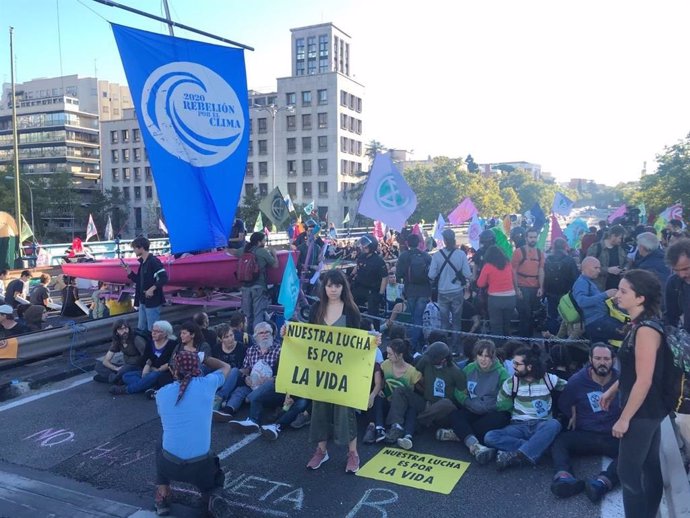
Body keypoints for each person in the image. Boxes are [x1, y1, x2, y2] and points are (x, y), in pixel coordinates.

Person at [600, 269, 668, 518]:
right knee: (649, 466)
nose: (617, 295)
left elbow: (644, 379)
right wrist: (613, 389)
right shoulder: (639, 324)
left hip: (643, 410)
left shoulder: (646, 331)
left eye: (623, 291)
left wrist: (625, 418)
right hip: (648, 408)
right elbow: (634, 371)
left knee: (627, 472)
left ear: (640, 298)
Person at [153, 349, 230, 515]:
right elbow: (226, 366)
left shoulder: (161, 394)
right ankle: (212, 495)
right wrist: (205, 357)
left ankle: (163, 494)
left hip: (169, 465)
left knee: (161, 441)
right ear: (198, 368)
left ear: (174, 370)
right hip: (200, 467)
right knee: (214, 471)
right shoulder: (207, 384)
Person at [303, 268, 363, 473]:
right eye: (330, 285)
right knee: (320, 409)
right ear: (324, 287)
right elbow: (307, 337)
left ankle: (353, 453)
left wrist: (375, 340)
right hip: (321, 371)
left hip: (345, 372)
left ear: (343, 287)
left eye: (337, 285)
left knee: (345, 412)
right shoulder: (316, 309)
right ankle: (321, 451)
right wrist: (287, 333)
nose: (333, 289)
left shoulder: (351, 310)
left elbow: (360, 340)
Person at [550, 343, 621, 502]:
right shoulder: (577, 380)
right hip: (586, 433)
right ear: (590, 359)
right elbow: (564, 402)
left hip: (613, 435)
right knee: (559, 442)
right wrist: (572, 411)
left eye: (606, 358)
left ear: (613, 360)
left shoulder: (620, 381)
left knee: (633, 452)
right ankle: (564, 477)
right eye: (597, 358)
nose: (602, 362)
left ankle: (602, 483)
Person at [484, 344, 566, 471]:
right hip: (518, 425)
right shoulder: (512, 382)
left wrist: (574, 409)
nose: (513, 367)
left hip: (542, 425)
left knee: (554, 424)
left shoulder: (548, 379)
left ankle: (519, 454)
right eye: (513, 363)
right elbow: (501, 404)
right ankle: (535, 448)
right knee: (490, 437)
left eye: (517, 364)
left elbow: (571, 388)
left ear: (529, 366)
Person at [436, 339, 511, 464]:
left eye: (487, 356)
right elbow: (458, 389)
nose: (483, 359)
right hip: (472, 407)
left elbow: (508, 400)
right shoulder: (469, 368)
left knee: (500, 419)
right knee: (455, 415)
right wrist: (467, 402)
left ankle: (459, 434)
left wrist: (488, 406)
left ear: (493, 356)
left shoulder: (502, 373)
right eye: (480, 355)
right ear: (475, 355)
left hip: (492, 410)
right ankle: (475, 446)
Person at [384, 341, 466, 451]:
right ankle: (396, 426)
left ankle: (416, 422)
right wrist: (420, 388)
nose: (430, 360)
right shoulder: (426, 361)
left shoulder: (455, 372)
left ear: (443, 359)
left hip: (442, 411)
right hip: (425, 402)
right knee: (400, 390)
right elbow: (415, 374)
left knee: (446, 403)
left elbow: (463, 394)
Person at [363, 338, 420, 444]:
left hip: (402, 406)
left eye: (390, 354)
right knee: (377, 397)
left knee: (411, 409)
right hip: (388, 401)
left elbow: (415, 391)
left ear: (400, 355)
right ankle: (379, 428)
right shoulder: (385, 365)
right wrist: (380, 389)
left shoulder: (412, 372)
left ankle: (406, 435)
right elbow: (383, 381)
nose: (387, 356)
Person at [223, 322, 281, 422]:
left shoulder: (279, 350)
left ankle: (252, 421)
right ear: (255, 337)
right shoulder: (251, 350)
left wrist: (270, 379)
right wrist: (246, 378)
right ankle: (228, 411)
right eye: (261, 333)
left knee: (262, 390)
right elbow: (245, 368)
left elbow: (283, 374)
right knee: (240, 391)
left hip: (270, 387)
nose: (264, 335)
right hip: (252, 384)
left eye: (267, 332)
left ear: (272, 335)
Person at [428, 229, 471, 355]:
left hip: (442, 291)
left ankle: (444, 348)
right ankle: (456, 348)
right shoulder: (461, 254)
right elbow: (467, 274)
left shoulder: (437, 255)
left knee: (444, 321)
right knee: (457, 321)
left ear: (444, 240)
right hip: (457, 291)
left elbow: (431, 275)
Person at [110, 320, 177, 396]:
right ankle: (150, 387)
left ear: (165, 333)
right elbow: (144, 359)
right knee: (126, 376)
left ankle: (126, 389)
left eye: (157, 331)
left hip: (163, 373)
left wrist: (159, 368)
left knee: (154, 375)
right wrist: (148, 365)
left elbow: (172, 361)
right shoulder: (150, 342)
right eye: (153, 330)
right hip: (150, 370)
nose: (153, 333)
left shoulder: (172, 344)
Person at [572, 257, 624, 343]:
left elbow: (596, 300)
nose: (599, 271)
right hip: (596, 322)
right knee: (627, 333)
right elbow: (582, 302)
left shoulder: (588, 282)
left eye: (599, 268)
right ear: (585, 268)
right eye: (595, 268)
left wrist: (610, 299)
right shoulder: (581, 282)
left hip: (599, 321)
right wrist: (605, 294)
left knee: (602, 347)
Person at [122, 236, 169, 332]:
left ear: (141, 248)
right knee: (141, 328)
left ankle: (153, 346)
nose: (134, 250)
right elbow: (139, 281)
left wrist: (152, 289)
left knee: (153, 330)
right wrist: (129, 272)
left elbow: (164, 278)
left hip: (153, 302)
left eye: (135, 248)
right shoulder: (143, 263)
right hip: (143, 301)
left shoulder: (154, 261)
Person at [395, 234, 432, 352]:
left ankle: (413, 344)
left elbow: (398, 274)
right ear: (419, 243)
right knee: (419, 316)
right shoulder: (425, 256)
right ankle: (419, 342)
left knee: (414, 317)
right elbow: (431, 273)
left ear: (407, 243)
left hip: (410, 290)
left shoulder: (404, 256)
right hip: (424, 290)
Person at [240, 232, 278, 332]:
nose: (265, 242)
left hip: (244, 286)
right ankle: (257, 337)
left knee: (247, 315)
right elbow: (275, 265)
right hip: (258, 287)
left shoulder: (244, 250)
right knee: (258, 314)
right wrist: (274, 253)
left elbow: (233, 252)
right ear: (259, 242)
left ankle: (247, 336)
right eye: (264, 240)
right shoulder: (262, 251)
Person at [476, 245, 516, 339]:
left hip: (495, 299)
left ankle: (498, 349)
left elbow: (480, 284)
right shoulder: (508, 264)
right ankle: (508, 347)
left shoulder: (488, 266)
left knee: (496, 327)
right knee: (507, 325)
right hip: (511, 298)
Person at [511, 228, 545, 338]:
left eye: (535, 237)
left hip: (534, 288)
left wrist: (541, 287)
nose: (533, 240)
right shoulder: (518, 252)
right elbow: (513, 271)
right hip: (522, 287)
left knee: (532, 316)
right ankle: (523, 341)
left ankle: (529, 340)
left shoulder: (540, 253)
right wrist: (517, 289)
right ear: (526, 238)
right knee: (524, 315)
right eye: (531, 237)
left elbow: (541, 270)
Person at [542, 238, 578, 335]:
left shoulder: (548, 260)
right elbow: (575, 278)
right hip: (566, 294)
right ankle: (563, 339)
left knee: (552, 317)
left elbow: (543, 276)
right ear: (565, 247)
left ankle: (552, 338)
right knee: (566, 317)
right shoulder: (569, 260)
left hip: (550, 293)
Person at [211, 323, 247, 420]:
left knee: (234, 370)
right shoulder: (216, 348)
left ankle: (219, 397)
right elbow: (214, 366)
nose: (230, 338)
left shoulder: (241, 347)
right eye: (226, 337)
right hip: (222, 377)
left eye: (231, 335)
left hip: (238, 377)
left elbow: (245, 367)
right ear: (220, 339)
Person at [351, 235, 388, 325]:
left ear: (372, 246)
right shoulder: (361, 257)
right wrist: (350, 276)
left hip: (372, 290)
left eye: (366, 246)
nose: (364, 247)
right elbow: (357, 267)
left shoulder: (379, 261)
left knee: (373, 314)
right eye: (363, 245)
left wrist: (381, 293)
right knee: (352, 308)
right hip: (360, 287)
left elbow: (384, 277)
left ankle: (376, 332)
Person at [587, 225, 628, 291]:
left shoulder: (620, 248)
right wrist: (608, 270)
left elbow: (626, 261)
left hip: (616, 288)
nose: (622, 241)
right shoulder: (596, 248)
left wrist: (625, 268)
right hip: (600, 288)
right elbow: (588, 268)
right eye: (620, 238)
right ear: (613, 236)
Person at [664, 238, 690, 332]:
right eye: (676, 270)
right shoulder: (674, 283)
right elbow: (671, 316)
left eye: (685, 269)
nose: (682, 275)